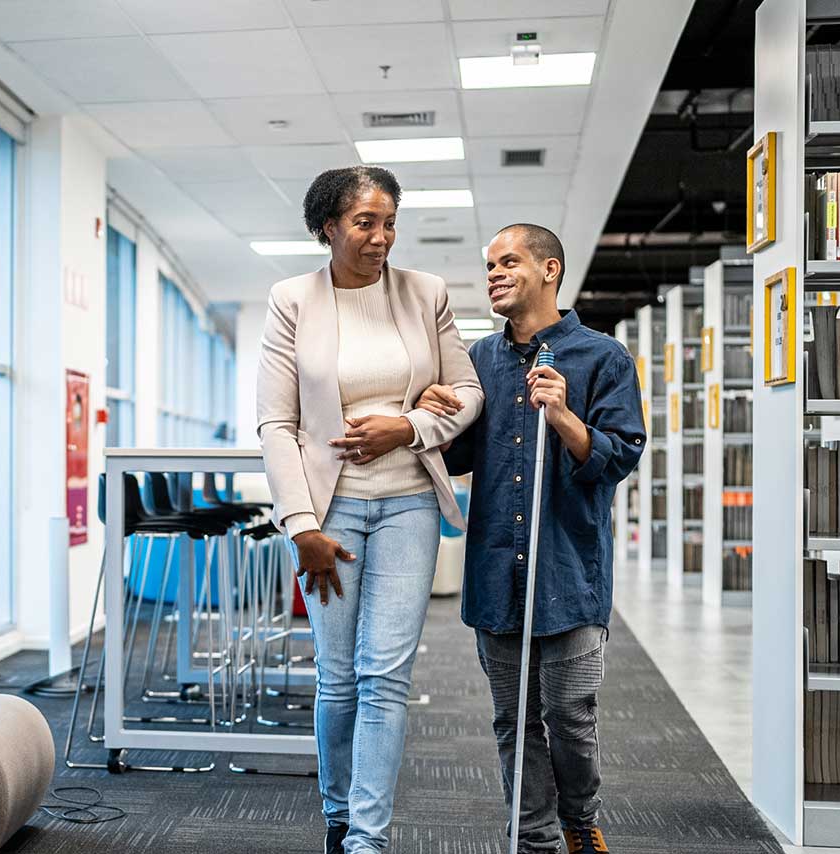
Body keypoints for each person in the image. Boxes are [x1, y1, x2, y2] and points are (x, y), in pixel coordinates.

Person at [256, 166, 484, 854]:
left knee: (386, 676)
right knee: (338, 676)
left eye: (389, 223)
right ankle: (336, 813)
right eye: (365, 223)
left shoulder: (425, 294)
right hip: (332, 516)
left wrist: (410, 425)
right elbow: (276, 424)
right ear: (327, 226)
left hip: (411, 504)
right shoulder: (291, 299)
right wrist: (302, 528)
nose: (381, 237)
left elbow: (468, 389)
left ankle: (367, 840)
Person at [415, 224, 645, 854]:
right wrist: (440, 413)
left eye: (508, 261)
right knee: (514, 722)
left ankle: (579, 822)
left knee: (570, 718)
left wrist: (565, 416)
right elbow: (462, 458)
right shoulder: (478, 363)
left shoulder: (603, 358)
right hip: (497, 573)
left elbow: (620, 457)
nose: (493, 272)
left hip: (569, 571)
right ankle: (534, 839)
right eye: (488, 264)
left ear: (550, 270)